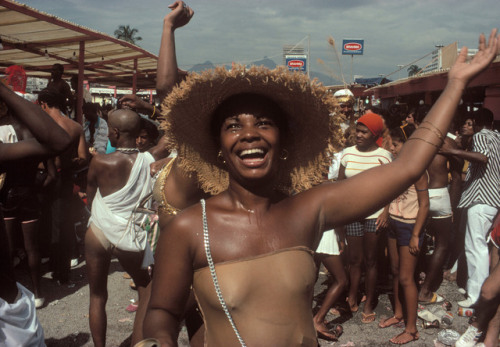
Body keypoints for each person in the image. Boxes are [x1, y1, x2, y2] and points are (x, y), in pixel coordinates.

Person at [141, 21, 500, 347]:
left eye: (264, 123)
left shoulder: (307, 209)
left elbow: (406, 167)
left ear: (284, 143)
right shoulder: (191, 228)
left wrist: (454, 85)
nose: (249, 134)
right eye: (233, 125)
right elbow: (162, 311)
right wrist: (158, 339)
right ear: (219, 148)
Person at [0, 81, 72, 347]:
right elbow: (59, 144)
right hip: (27, 194)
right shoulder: (23, 131)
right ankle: (39, 291)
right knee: (29, 247)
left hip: (9, 197)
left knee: (15, 249)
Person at [84, 108, 162, 347]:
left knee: (97, 295)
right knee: (146, 290)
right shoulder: (150, 159)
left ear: (115, 132)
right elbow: (174, 133)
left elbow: (90, 194)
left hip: (97, 231)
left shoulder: (99, 161)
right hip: (131, 235)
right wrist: (151, 109)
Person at [440, 108, 500, 309]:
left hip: (480, 199)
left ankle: (476, 296)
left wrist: (452, 151)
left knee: (475, 248)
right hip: (492, 200)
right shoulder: (497, 136)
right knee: (481, 246)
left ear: (475, 123)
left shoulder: (481, 136)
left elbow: (482, 158)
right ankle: (479, 291)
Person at [337, 112, 392, 323]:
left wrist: (386, 211)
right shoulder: (347, 154)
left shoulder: (385, 156)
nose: (357, 135)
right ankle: (352, 294)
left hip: (374, 215)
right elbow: (340, 186)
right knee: (354, 259)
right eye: (357, 131)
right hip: (352, 214)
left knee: (371, 260)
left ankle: (369, 301)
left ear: (374, 133)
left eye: (363, 131)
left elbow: (390, 187)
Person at [379, 124, 429, 345]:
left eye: (396, 145)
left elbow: (425, 205)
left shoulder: (417, 170)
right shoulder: (396, 166)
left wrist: (416, 234)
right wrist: (385, 212)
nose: (393, 149)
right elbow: (391, 192)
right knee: (395, 271)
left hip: (410, 225)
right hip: (394, 222)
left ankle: (412, 329)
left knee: (408, 277)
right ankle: (399, 314)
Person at [38, 88, 88, 284]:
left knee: (48, 224)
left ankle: (54, 267)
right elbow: (83, 158)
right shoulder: (75, 126)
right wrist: (70, 162)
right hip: (67, 180)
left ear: (43, 104)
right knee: (64, 224)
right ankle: (63, 271)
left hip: (48, 180)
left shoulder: (44, 125)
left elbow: (50, 161)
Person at [417, 109, 463, 304]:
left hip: (419, 195)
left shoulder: (415, 142)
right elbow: (457, 177)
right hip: (439, 194)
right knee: (442, 244)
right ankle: (426, 291)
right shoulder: (448, 143)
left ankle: (415, 281)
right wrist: (451, 206)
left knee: (415, 239)